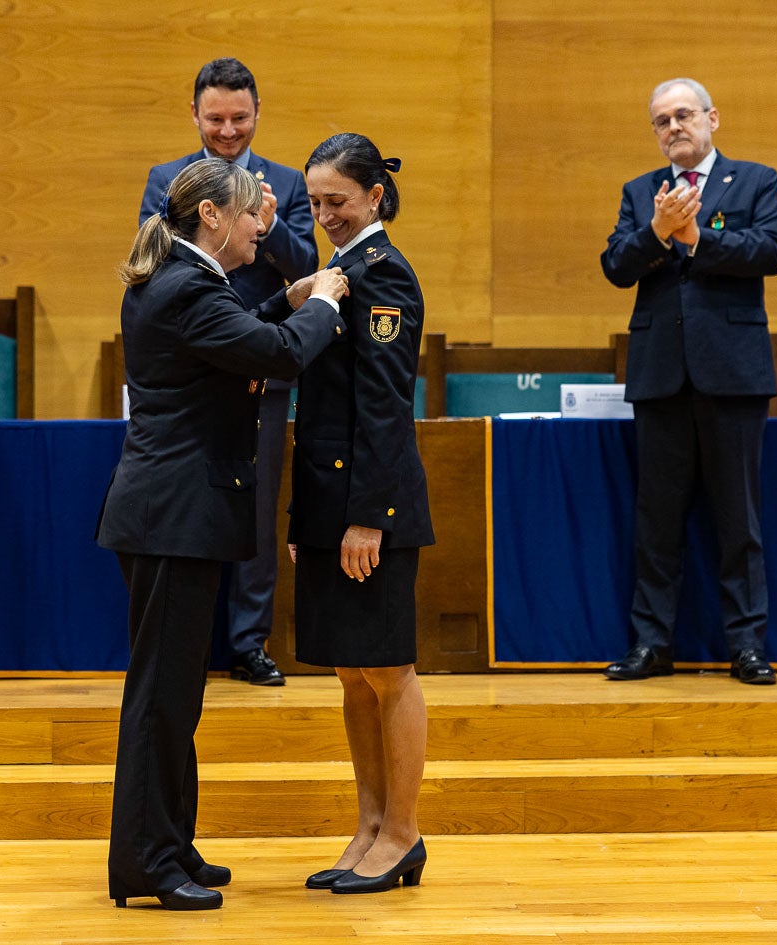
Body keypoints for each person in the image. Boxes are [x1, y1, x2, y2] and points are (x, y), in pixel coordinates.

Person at [98, 158, 349, 911]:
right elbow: (274, 354)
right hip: (174, 516)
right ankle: (146, 861)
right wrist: (325, 303)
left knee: (174, 694)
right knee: (161, 697)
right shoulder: (187, 287)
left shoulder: (177, 280)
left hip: (168, 513)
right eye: (249, 216)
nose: (259, 227)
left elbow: (237, 335)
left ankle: (170, 842)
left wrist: (284, 296)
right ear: (210, 215)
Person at [600, 78, 777, 686]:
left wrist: (699, 239)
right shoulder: (639, 193)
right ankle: (652, 644)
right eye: (661, 121)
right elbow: (614, 266)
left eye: (684, 115)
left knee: (740, 519)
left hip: (731, 373)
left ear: (712, 118)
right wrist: (656, 234)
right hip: (660, 373)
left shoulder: (757, 180)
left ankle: (747, 647)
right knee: (656, 520)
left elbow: (772, 250)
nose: (673, 127)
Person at [138, 57, 319, 687]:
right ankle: (193, 638)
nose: (227, 130)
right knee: (192, 502)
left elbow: (306, 266)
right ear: (194, 114)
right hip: (194, 365)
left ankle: (249, 641)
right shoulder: (168, 179)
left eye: (239, 118)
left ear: (258, 114)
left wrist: (263, 226)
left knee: (257, 505)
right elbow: (156, 259)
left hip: (262, 366)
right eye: (215, 117)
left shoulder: (289, 183)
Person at [289, 133, 433, 895]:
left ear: (375, 197)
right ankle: (368, 823)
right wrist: (304, 518)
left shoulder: (384, 275)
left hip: (369, 506)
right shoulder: (338, 272)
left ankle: (403, 831)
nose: (324, 216)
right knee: (350, 672)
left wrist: (367, 516)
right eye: (314, 203)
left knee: (387, 668)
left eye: (337, 202)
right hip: (329, 503)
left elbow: (382, 405)